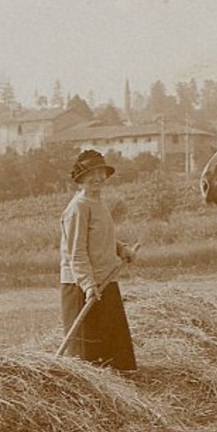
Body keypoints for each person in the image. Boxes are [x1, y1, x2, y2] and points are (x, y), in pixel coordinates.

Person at [59, 149, 138, 370]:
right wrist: (87, 285)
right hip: (81, 286)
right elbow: (77, 251)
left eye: (101, 173)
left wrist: (121, 249)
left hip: (105, 281)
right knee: (87, 357)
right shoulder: (78, 207)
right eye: (91, 174)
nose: (97, 178)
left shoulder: (98, 202)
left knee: (115, 351)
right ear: (80, 179)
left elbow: (101, 237)